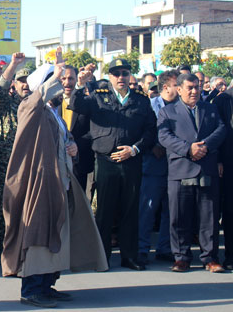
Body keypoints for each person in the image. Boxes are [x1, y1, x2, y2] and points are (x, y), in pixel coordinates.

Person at [2, 49, 107, 308]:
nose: (62, 86)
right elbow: (35, 101)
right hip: (39, 185)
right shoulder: (31, 108)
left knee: (56, 235)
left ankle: (47, 285)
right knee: (38, 235)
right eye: (56, 82)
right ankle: (31, 290)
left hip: (60, 182)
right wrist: (54, 75)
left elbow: (63, 140)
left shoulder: (54, 113)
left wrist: (72, 146)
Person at [70, 58, 157, 271]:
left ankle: (130, 257)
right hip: (105, 160)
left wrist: (134, 149)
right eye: (116, 73)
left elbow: (150, 130)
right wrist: (80, 84)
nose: (121, 77)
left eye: (125, 73)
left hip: (131, 160)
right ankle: (102, 257)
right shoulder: (98, 97)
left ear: (130, 76)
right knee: (104, 211)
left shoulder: (140, 100)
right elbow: (77, 105)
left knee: (130, 210)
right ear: (109, 76)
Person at [158, 73, 226, 273]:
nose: (194, 91)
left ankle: (210, 258)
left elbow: (221, 129)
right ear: (179, 89)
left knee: (209, 216)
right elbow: (164, 136)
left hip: (206, 167)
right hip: (181, 169)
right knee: (179, 216)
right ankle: (181, 257)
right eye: (190, 87)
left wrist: (205, 146)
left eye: (197, 87)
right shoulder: (167, 112)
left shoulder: (210, 109)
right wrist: (189, 149)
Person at [0, 52, 30, 264]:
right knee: (2, 208)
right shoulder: (6, 104)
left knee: (27, 208)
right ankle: (3, 246)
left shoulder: (37, 106)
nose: (25, 85)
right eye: (21, 81)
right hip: (6, 166)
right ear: (15, 83)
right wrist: (12, 65)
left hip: (30, 167)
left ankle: (25, 247)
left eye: (29, 81)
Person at [138, 70, 179, 266]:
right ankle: (142, 248)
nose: (180, 88)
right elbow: (141, 130)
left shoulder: (181, 106)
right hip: (152, 165)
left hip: (175, 166)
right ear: (166, 87)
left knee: (171, 211)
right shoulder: (149, 105)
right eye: (177, 84)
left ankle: (165, 248)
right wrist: (152, 146)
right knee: (147, 209)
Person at [51, 65, 93, 192]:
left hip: (79, 163)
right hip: (56, 163)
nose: (67, 83)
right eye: (63, 78)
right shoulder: (52, 103)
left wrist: (76, 145)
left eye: (71, 78)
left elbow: (94, 131)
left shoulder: (87, 102)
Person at [212, 80, 233, 270]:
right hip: (228, 162)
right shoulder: (223, 100)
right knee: (230, 209)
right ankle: (230, 255)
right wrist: (218, 159)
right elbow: (216, 132)